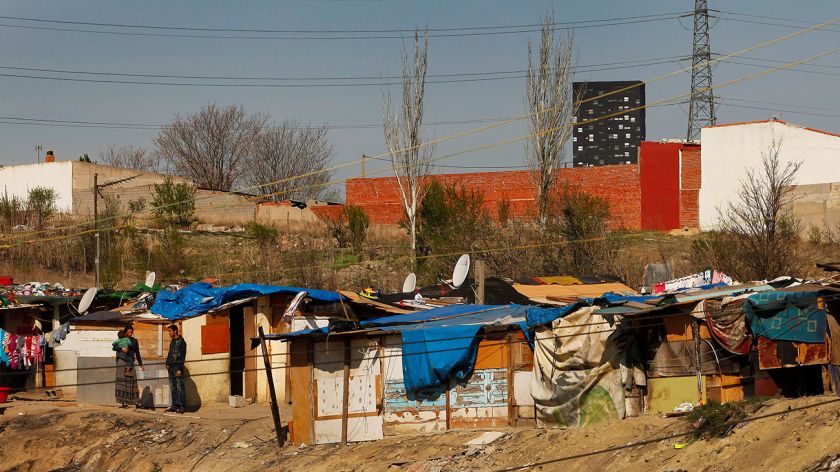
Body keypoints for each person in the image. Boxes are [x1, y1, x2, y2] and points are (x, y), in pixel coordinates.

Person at [113, 325, 144, 408]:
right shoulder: (121, 340)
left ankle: (136, 402)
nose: (130, 334)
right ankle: (123, 402)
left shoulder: (134, 341)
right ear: (125, 332)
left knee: (132, 381)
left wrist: (141, 364)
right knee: (122, 381)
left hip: (130, 362)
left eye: (131, 332)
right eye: (129, 332)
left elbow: (137, 353)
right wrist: (121, 349)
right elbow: (115, 348)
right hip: (121, 362)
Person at [165, 324, 187, 414]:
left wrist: (179, 369)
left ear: (175, 331)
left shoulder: (182, 342)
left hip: (177, 368)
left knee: (180, 387)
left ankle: (182, 406)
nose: (169, 333)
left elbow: (182, 357)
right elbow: (170, 353)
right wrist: (167, 363)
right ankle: (175, 405)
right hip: (170, 367)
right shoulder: (172, 341)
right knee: (173, 387)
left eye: (170, 331)